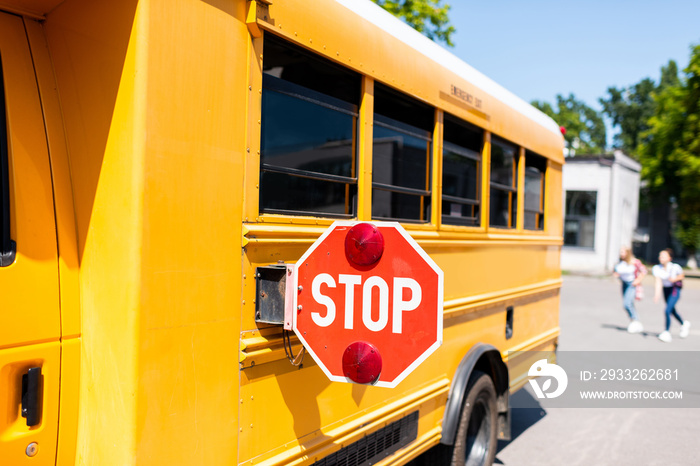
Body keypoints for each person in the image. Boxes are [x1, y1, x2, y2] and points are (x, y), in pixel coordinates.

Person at [652, 248, 690, 343]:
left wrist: (674, 279)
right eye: (660, 256)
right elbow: (658, 282)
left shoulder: (675, 267)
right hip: (666, 290)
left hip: (674, 289)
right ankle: (683, 324)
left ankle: (667, 332)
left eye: (663, 256)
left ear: (669, 258)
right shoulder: (657, 268)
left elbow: (682, 275)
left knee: (667, 310)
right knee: (671, 310)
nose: (661, 257)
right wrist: (657, 295)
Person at [612, 246, 645, 333]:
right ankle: (634, 321)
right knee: (629, 303)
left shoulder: (634, 262)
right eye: (620, 252)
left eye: (623, 252)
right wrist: (616, 275)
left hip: (632, 284)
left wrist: (637, 281)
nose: (621, 254)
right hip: (624, 284)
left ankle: (635, 320)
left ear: (627, 253)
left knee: (626, 304)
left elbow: (643, 271)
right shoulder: (619, 263)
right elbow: (615, 272)